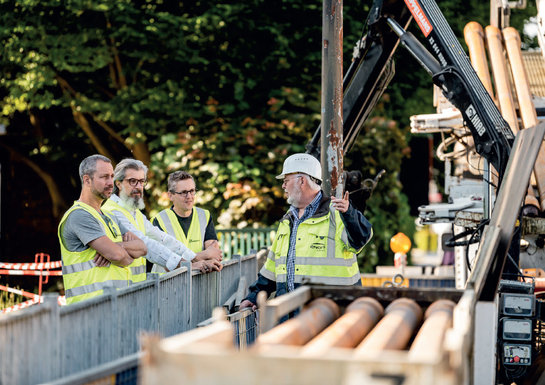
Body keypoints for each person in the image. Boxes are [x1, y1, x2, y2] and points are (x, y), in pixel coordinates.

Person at [239, 153, 373, 311]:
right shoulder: (287, 220)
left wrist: (349, 213)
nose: (283, 186)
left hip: (332, 314)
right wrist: (254, 296)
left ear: (301, 180)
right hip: (290, 313)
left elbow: (361, 238)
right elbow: (273, 267)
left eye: (286, 181)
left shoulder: (337, 212)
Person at [102, 159, 222, 278]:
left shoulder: (135, 213)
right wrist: (185, 264)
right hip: (113, 288)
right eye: (133, 181)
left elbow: (162, 239)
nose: (138, 187)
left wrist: (193, 258)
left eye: (142, 181)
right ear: (118, 183)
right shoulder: (112, 211)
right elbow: (146, 244)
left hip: (130, 286)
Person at [58, 154, 148, 305]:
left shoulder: (109, 217)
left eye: (112, 176)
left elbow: (142, 248)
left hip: (116, 304)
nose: (110, 183)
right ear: (87, 180)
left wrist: (117, 247)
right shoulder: (79, 215)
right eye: (104, 177)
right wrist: (119, 252)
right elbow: (119, 257)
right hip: (89, 309)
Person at [152, 171, 219, 257]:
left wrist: (203, 256)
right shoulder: (159, 220)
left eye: (192, 191)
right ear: (170, 195)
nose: (189, 196)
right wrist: (203, 255)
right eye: (184, 192)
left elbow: (214, 254)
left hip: (199, 271)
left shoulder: (204, 216)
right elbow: (167, 259)